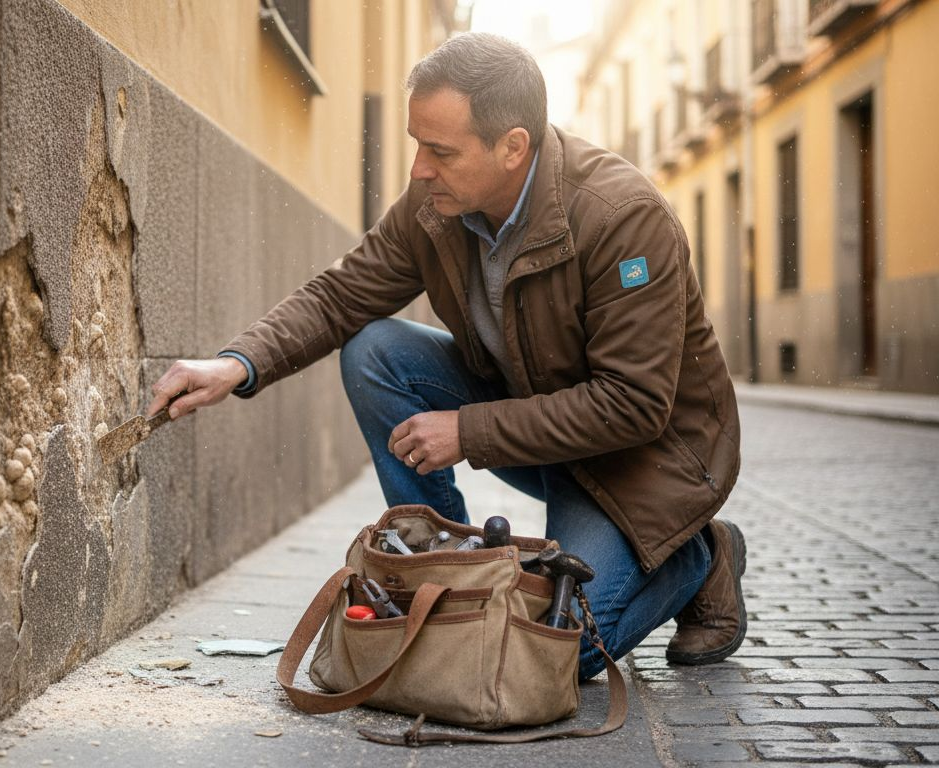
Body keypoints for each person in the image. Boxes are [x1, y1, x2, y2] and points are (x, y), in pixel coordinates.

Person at [146, 33, 744, 679]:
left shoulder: (622, 218)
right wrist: (236, 363)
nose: (417, 169)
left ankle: (697, 558)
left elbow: (632, 406)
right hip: (547, 439)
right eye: (415, 144)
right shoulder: (437, 205)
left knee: (545, 660)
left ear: (513, 147)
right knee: (376, 349)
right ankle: (445, 570)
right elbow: (342, 295)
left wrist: (468, 430)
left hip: (643, 468)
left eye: (440, 150)